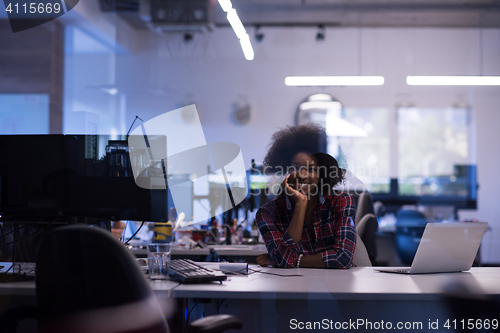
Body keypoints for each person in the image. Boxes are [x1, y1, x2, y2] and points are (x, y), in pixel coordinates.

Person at [256, 124, 357, 268]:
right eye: (296, 167)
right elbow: (283, 260)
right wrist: (300, 204)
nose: (302, 175)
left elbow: (343, 258)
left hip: (338, 286)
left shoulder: (341, 202)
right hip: (291, 286)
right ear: (284, 169)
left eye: (311, 169)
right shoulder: (267, 213)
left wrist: (294, 261)